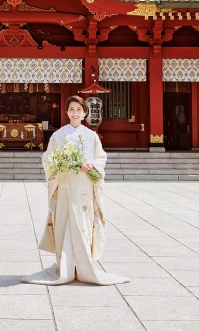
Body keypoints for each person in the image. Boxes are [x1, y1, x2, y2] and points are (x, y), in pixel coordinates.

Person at [22, 95, 128, 285]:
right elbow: (48, 158)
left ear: (85, 112)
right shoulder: (59, 135)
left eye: (79, 110)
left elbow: (101, 157)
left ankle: (82, 267)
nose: (75, 113)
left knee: (84, 225)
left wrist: (91, 165)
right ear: (66, 111)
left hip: (85, 187)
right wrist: (59, 164)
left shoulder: (91, 136)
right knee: (65, 222)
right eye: (71, 109)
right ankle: (65, 265)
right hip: (65, 186)